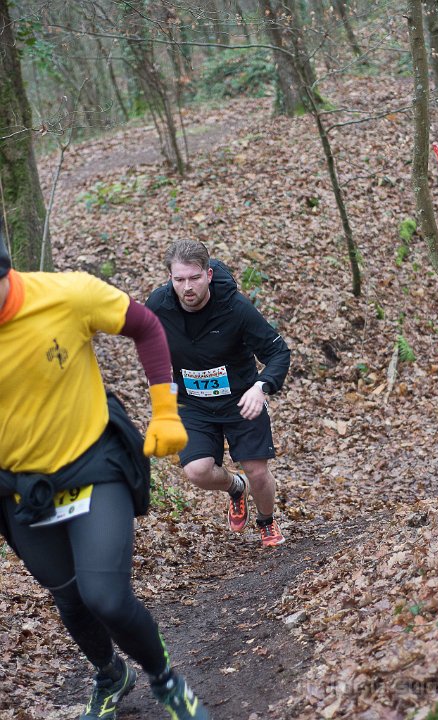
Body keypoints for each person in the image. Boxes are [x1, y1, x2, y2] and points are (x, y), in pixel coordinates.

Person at [0, 226, 210, 720]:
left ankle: (165, 679)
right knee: (70, 599)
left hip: (93, 464)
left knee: (106, 597)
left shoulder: (68, 295)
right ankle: (111, 674)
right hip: (20, 488)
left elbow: (146, 326)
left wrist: (165, 411)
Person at [145, 239, 291, 548]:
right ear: (170, 277)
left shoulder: (236, 308)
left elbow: (278, 352)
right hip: (193, 403)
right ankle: (236, 488)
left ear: (208, 275)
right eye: (179, 279)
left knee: (257, 472)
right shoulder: (158, 305)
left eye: (194, 278)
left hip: (241, 399)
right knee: (197, 471)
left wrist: (261, 387)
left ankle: (266, 520)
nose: (187, 287)